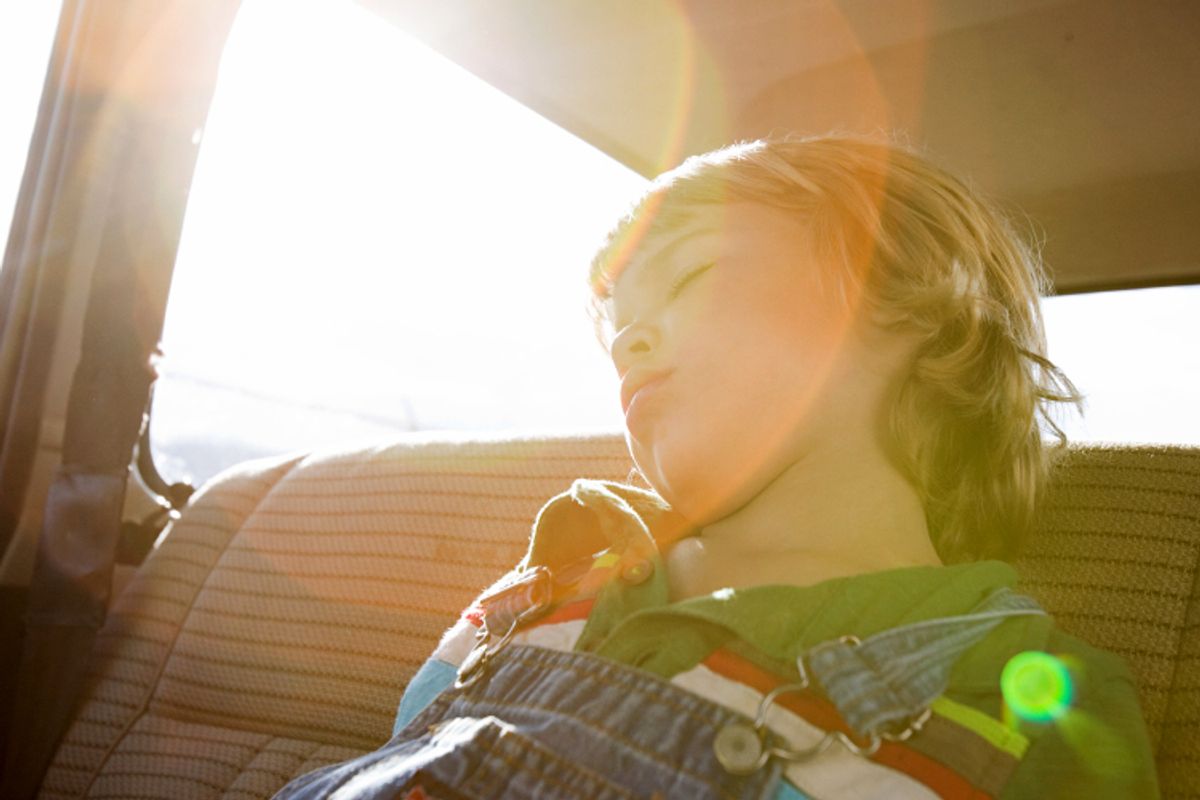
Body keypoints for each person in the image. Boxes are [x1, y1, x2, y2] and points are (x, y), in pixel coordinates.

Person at [274, 133, 1158, 798]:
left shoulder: (1029, 701)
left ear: (910, 303)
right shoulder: (543, 586)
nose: (627, 339)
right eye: (619, 325)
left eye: (691, 275)